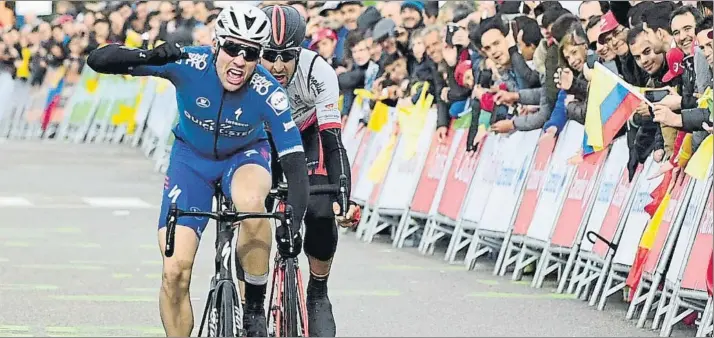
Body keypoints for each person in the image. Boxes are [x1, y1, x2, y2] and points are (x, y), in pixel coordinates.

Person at [86, 4, 311, 337]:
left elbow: (293, 159)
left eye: (250, 53)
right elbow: (98, 60)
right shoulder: (188, 62)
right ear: (216, 44)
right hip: (190, 160)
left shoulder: (269, 92)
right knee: (175, 271)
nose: (239, 60)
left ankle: (253, 312)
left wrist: (296, 213)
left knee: (252, 202)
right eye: (232, 48)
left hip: (245, 155)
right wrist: (151, 55)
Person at [259, 5, 359, 337]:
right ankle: (251, 304)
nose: (276, 65)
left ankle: (317, 289)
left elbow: (333, 143)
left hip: (309, 134)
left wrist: (342, 191)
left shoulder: (320, 72)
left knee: (319, 210)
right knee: (250, 211)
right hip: (266, 137)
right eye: (269, 55)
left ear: (300, 50)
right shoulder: (247, 72)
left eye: (286, 56)